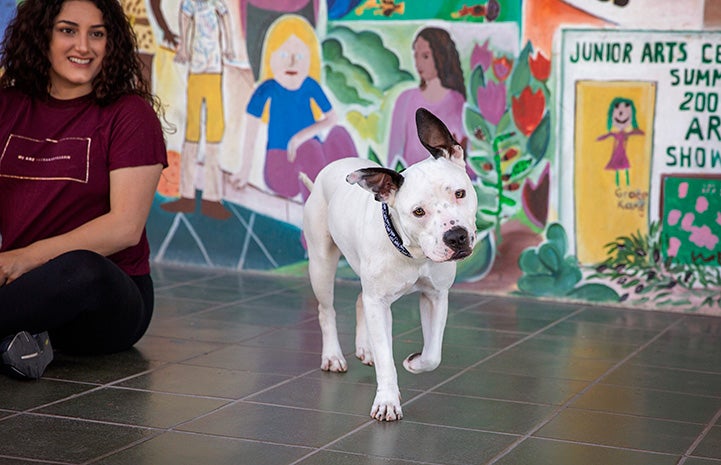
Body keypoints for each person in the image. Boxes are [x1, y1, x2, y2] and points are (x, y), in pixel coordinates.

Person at [0, 0, 168, 379]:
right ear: (41, 35)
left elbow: (124, 228)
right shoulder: (7, 106)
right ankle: (17, 343)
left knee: (83, 268)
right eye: (67, 30)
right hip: (19, 288)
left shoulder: (129, 114)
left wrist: (22, 258)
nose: (84, 46)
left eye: (97, 34)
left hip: (105, 299)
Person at [234, 14, 357, 201]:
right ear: (271, 57)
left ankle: (358, 197)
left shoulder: (309, 85)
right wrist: (244, 171)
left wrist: (298, 138)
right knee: (311, 148)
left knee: (338, 134)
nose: (291, 62)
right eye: (284, 55)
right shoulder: (267, 89)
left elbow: (332, 118)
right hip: (281, 167)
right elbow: (250, 133)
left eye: (299, 56)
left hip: (313, 158)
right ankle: (318, 213)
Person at [160, 0, 236, 220]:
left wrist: (229, 47)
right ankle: (187, 195)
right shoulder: (189, 4)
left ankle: (213, 198)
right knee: (192, 132)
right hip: (196, 69)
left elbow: (226, 20)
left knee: (214, 132)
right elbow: (184, 22)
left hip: (214, 70)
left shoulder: (216, 3)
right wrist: (183, 47)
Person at [388, 27, 466, 168]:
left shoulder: (457, 102)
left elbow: (464, 152)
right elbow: (394, 152)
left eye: (425, 56)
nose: (418, 63)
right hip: (412, 182)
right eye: (416, 55)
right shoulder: (405, 99)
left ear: (441, 56)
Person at [596, 97, 644, 187]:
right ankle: (618, 184)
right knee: (617, 168)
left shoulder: (626, 134)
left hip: (622, 152)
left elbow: (635, 132)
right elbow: (607, 135)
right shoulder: (615, 134)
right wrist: (599, 138)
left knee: (625, 166)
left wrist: (640, 131)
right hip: (617, 152)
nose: (621, 113)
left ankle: (627, 184)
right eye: (617, 108)